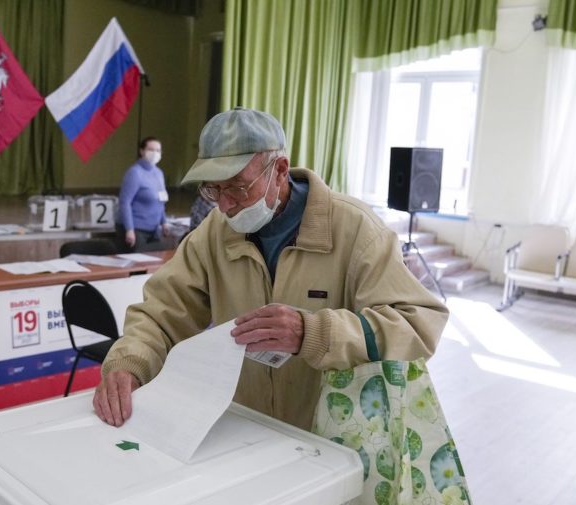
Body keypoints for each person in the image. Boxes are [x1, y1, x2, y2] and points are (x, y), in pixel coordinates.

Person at [93, 107, 449, 432]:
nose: (226, 205)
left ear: (279, 171)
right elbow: (161, 315)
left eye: (237, 187)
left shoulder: (354, 229)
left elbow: (418, 325)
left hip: (333, 434)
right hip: (248, 429)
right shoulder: (214, 234)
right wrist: (129, 364)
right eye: (213, 190)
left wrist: (313, 332)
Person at [116, 137, 170, 252]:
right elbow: (125, 202)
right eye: (151, 149)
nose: (155, 153)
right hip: (136, 228)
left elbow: (160, 201)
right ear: (141, 151)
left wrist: (164, 222)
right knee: (142, 256)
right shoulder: (135, 172)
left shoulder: (159, 173)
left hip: (153, 229)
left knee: (162, 253)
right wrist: (129, 229)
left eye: (158, 150)